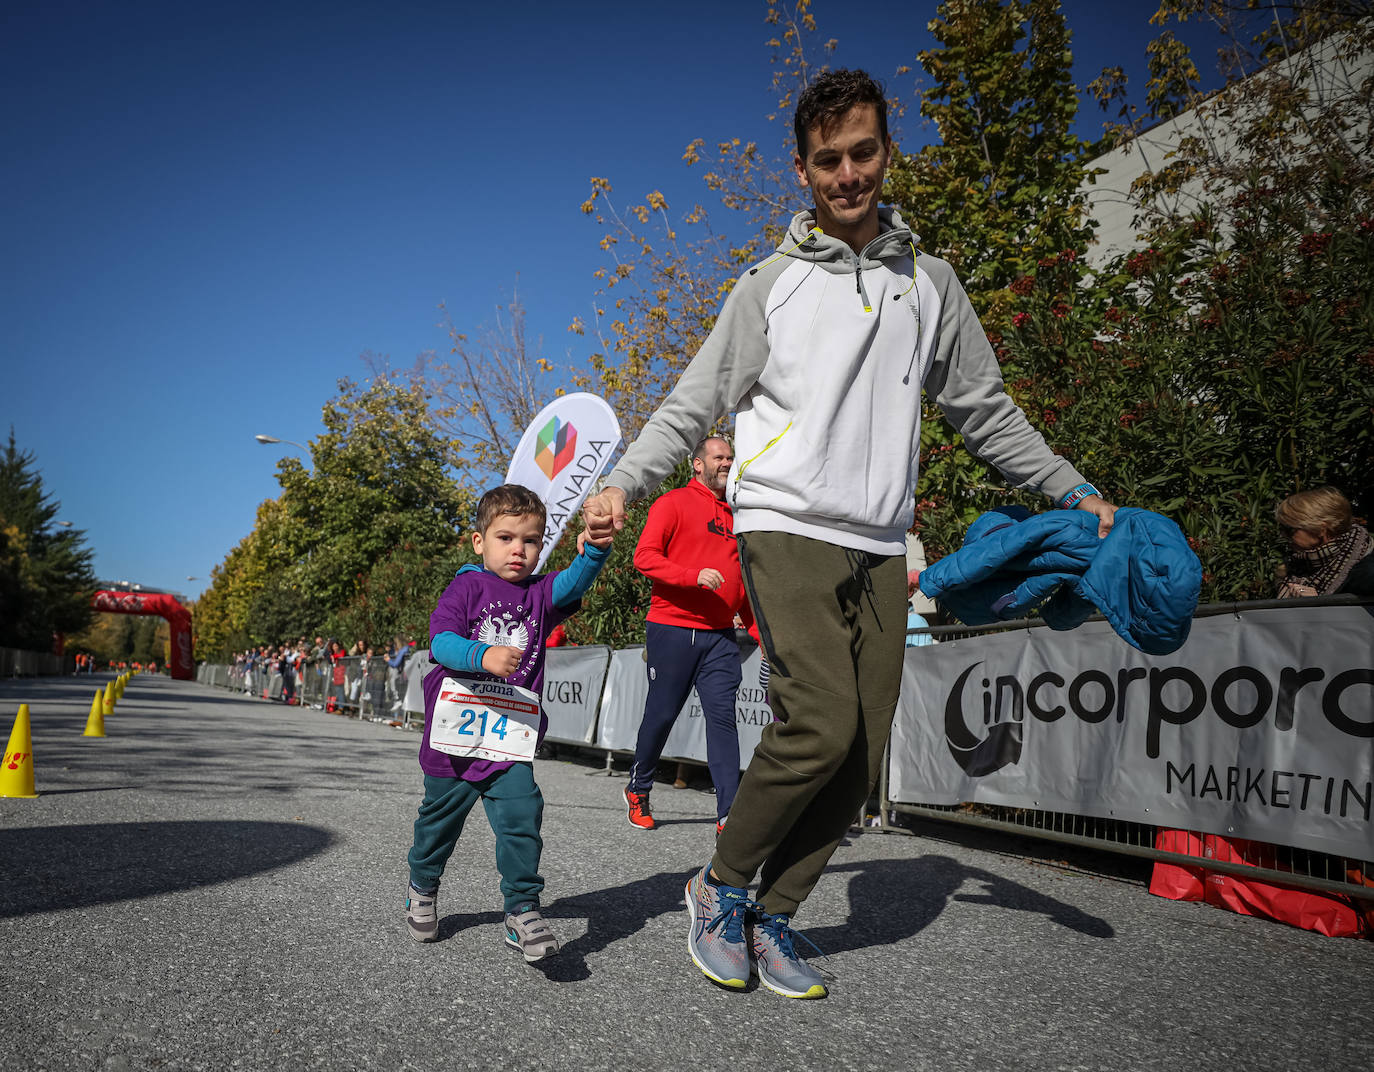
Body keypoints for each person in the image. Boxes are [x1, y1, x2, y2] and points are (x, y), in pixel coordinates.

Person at [582, 68, 1117, 1000]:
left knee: (864, 750)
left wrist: (1073, 492)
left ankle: (775, 913)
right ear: (802, 170)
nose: (847, 174)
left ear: (886, 151)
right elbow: (693, 401)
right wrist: (625, 479)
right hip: (785, 521)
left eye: (862, 152)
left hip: (880, 539)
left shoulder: (932, 285)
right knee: (820, 722)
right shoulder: (769, 288)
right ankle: (715, 887)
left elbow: (985, 412)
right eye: (827, 160)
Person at [404, 484, 612, 962]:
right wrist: (481, 654)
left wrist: (596, 548)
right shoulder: (466, 586)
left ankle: (522, 910)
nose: (519, 549)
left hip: (509, 739)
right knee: (438, 824)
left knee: (523, 820)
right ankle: (422, 885)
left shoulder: (540, 593)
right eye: (505, 537)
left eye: (532, 540)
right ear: (479, 542)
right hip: (454, 739)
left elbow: (574, 583)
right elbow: (441, 643)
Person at [622, 436, 751, 835]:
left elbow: (742, 584)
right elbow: (643, 557)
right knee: (661, 715)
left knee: (723, 721)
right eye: (719, 457)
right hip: (673, 627)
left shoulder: (739, 516)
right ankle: (639, 788)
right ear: (698, 464)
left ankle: (728, 814)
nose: (727, 462)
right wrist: (691, 577)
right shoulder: (673, 503)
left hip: (720, 636)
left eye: (731, 457)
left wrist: (764, 637)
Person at [1275, 486, 1374, 597]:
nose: (1283, 535)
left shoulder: (1367, 573)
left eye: (1290, 530)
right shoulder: (1299, 564)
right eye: (1282, 529)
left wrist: (1321, 604)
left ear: (1320, 529)